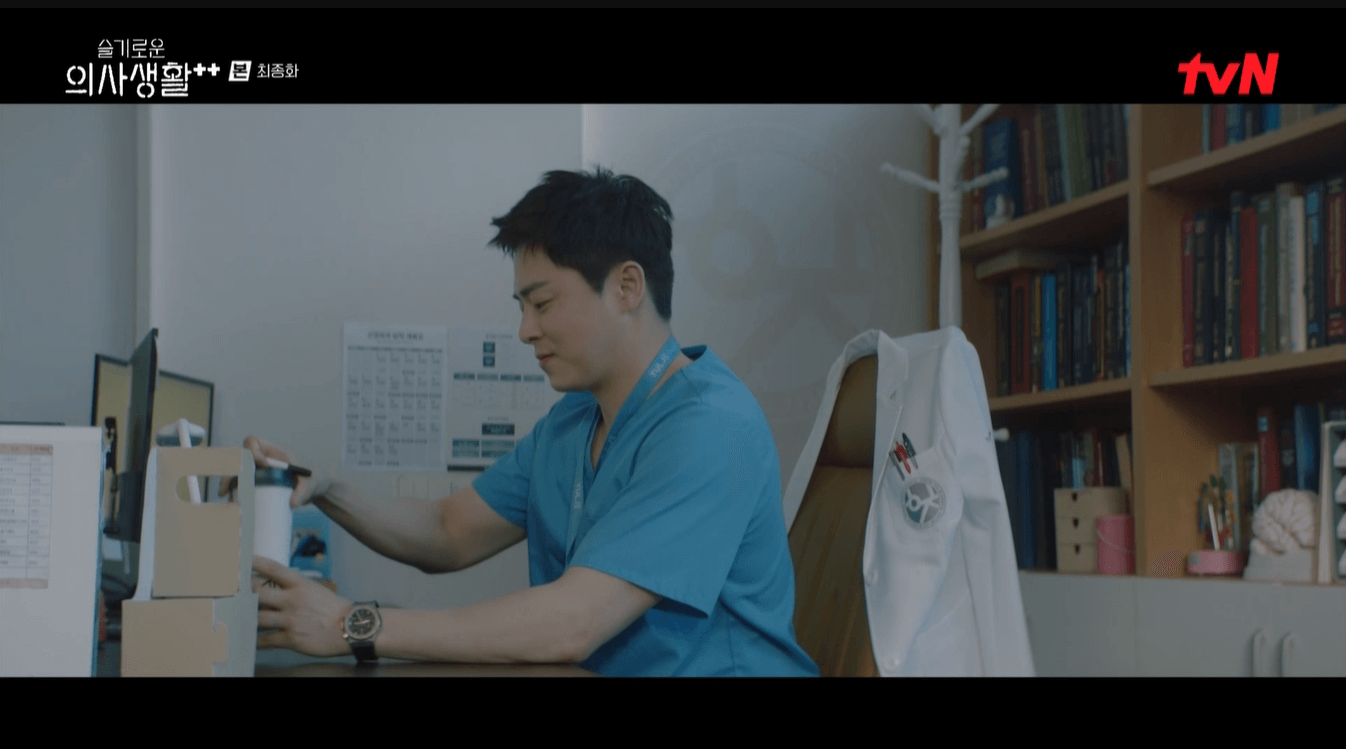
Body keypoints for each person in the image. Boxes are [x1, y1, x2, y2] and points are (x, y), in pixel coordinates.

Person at [237, 166, 820, 677]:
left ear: (627, 287)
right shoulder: (573, 421)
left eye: (542, 304)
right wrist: (327, 487)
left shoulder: (710, 426)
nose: (525, 331)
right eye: (522, 308)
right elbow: (448, 531)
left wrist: (351, 624)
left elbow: (573, 622)